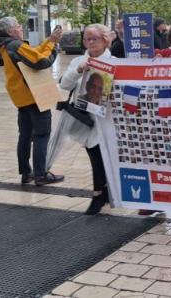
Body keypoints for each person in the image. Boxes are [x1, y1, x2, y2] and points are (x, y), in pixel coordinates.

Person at [0, 16, 65, 186]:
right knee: (41, 134)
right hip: (34, 96)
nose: (21, 28)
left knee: (25, 136)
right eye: (18, 26)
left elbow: (34, 53)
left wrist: (49, 41)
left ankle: (26, 173)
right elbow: (42, 61)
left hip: (21, 98)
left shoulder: (6, 46)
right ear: (11, 31)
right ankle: (40, 175)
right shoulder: (15, 45)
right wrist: (54, 46)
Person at [60, 24, 113, 214]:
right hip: (85, 118)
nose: (90, 43)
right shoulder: (79, 61)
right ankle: (102, 192)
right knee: (94, 154)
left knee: (103, 156)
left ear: (105, 40)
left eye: (94, 39)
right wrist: (78, 71)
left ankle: (101, 193)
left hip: (108, 118)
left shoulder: (114, 61)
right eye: (87, 39)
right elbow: (65, 85)